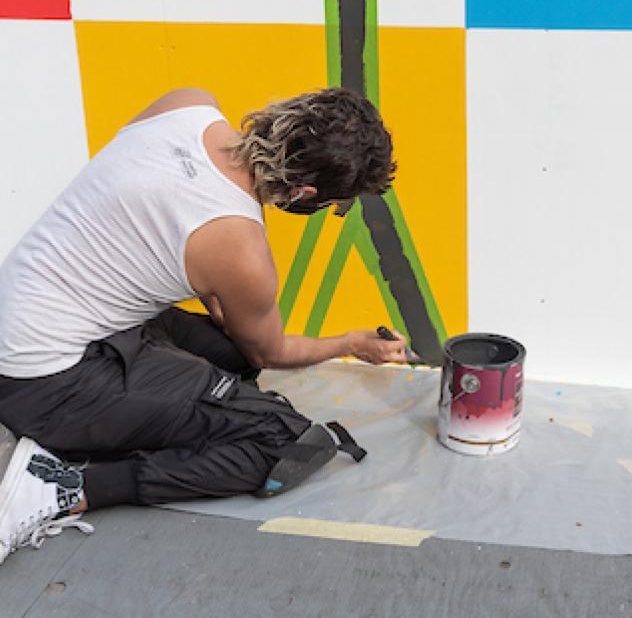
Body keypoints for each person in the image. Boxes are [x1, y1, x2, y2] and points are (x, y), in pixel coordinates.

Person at [0, 87, 408, 564]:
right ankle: (58, 490)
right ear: (307, 193)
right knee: (287, 442)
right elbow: (270, 353)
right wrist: (351, 342)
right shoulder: (241, 248)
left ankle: (122, 424)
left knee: (230, 357)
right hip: (44, 385)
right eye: (338, 204)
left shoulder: (187, 106)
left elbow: (146, 218)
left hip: (37, 325)